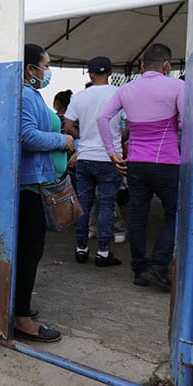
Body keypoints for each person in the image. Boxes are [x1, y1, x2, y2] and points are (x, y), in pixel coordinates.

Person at [97, 43, 184, 292]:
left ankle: (139, 270)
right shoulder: (178, 86)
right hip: (166, 162)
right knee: (175, 213)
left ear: (143, 65)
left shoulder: (126, 89)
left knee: (137, 216)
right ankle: (157, 264)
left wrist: (112, 153)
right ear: (167, 65)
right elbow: (186, 122)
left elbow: (103, 118)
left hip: (135, 163)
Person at [15, 44, 75, 343]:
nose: (48, 71)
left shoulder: (30, 93)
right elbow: (25, 136)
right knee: (29, 252)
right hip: (30, 187)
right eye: (46, 65)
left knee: (29, 252)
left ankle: (19, 307)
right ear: (31, 68)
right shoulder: (25, 94)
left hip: (36, 182)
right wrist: (62, 140)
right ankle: (22, 320)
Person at [62, 56, 126, 267]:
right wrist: (120, 137)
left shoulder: (79, 97)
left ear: (89, 74)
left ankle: (81, 248)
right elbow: (131, 125)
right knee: (107, 205)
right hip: (111, 157)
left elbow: (68, 126)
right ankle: (103, 252)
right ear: (110, 73)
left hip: (86, 157)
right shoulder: (119, 95)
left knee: (84, 204)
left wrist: (83, 136)